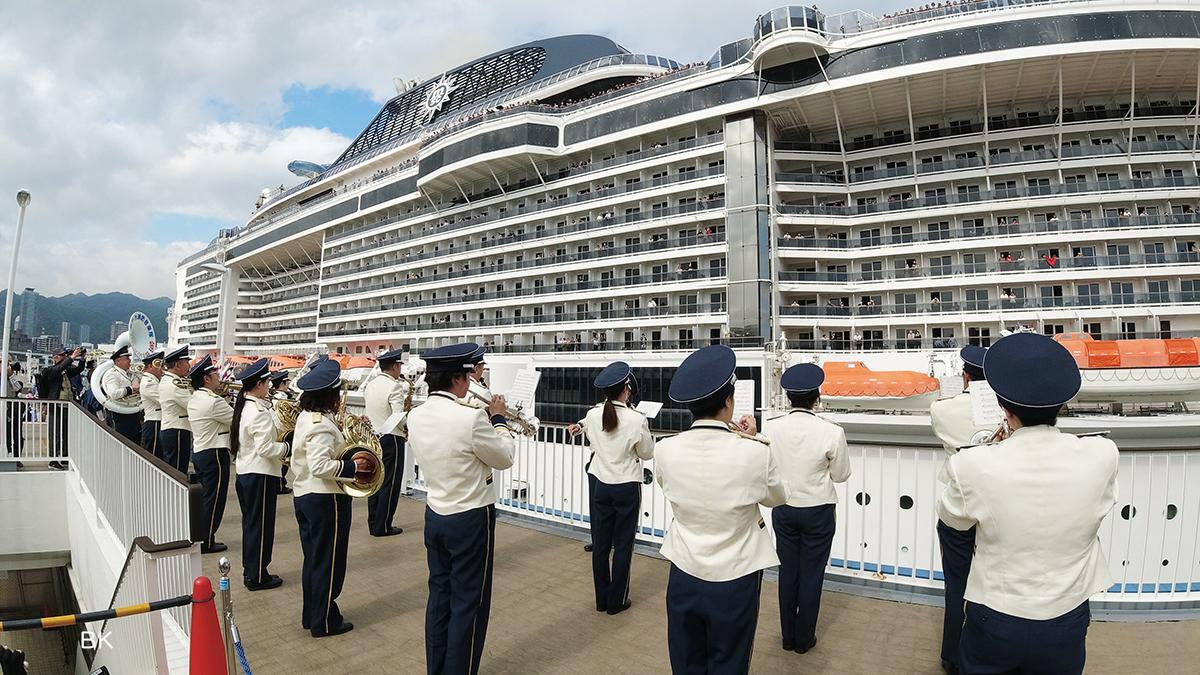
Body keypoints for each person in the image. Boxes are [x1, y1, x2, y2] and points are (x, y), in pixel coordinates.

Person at [938, 334, 1118, 673]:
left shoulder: (971, 464)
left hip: (996, 616)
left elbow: (952, 522)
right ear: (1061, 404)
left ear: (1003, 407)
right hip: (1067, 615)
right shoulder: (1102, 454)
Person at [654, 345, 789, 674]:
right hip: (736, 577)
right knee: (729, 662)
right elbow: (777, 497)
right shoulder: (755, 452)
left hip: (683, 571)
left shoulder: (665, 449)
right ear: (729, 401)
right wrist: (753, 440)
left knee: (686, 661)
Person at [407, 342, 515, 675]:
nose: (470, 383)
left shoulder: (416, 414)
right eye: (468, 376)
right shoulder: (469, 419)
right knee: (469, 603)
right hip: (470, 518)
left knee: (440, 598)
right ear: (458, 379)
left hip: (435, 512)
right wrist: (498, 420)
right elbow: (505, 457)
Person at [763, 363, 850, 654]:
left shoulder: (772, 427)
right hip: (818, 509)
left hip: (784, 507)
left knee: (788, 571)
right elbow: (840, 475)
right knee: (812, 573)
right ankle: (804, 639)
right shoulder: (831, 431)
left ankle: (787, 637)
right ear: (817, 396)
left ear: (788, 397)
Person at [291, 358, 374, 638]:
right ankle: (325, 620)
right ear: (329, 395)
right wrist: (354, 468)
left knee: (314, 560)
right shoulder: (321, 425)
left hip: (306, 495)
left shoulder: (308, 417)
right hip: (326, 499)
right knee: (329, 561)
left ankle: (311, 614)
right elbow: (320, 465)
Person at [568, 362, 655, 614]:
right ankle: (617, 601)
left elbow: (588, 428)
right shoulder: (636, 419)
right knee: (623, 546)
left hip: (601, 485)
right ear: (626, 389)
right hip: (626, 485)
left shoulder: (594, 414)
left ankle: (601, 599)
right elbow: (646, 454)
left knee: (601, 545)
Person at [928, 346, 994, 672]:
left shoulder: (943, 410)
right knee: (993, 585)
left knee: (957, 586)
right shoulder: (1007, 411)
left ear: (965, 375)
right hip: (998, 508)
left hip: (958, 508)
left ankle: (952, 656)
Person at [231, 358, 289, 591]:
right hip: (260, 475)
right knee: (262, 527)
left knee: (252, 525)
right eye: (266, 382)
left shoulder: (246, 406)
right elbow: (266, 449)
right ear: (258, 385)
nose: (269, 387)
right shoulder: (258, 412)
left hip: (247, 472)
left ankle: (253, 570)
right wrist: (287, 448)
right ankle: (257, 575)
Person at [188, 354, 234, 554]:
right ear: (206, 379)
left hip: (202, 451)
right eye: (214, 373)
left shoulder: (196, 397)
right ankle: (207, 540)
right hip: (214, 452)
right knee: (214, 499)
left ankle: (205, 537)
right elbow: (236, 419)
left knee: (208, 497)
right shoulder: (213, 402)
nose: (218, 376)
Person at [363, 348, 410, 537]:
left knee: (375, 481)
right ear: (395, 366)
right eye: (399, 365)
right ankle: (383, 525)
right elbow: (398, 416)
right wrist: (409, 424)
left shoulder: (371, 384)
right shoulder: (395, 386)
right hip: (392, 437)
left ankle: (373, 522)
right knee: (390, 483)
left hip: (374, 437)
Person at [37, 347, 85, 469]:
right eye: (61, 355)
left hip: (66, 405)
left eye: (65, 355)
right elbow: (58, 369)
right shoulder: (50, 370)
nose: (64, 357)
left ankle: (64, 456)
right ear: (55, 358)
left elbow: (79, 369)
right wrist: (72, 357)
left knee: (65, 432)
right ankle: (53, 459)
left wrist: (82, 358)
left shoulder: (66, 371)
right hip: (56, 405)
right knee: (55, 433)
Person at [158, 346, 193, 474]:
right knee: (177, 472)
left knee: (176, 469)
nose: (189, 366)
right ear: (178, 365)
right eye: (187, 362)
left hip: (175, 429)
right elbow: (192, 405)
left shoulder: (172, 380)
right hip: (176, 430)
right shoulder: (174, 384)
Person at [100, 345, 143, 443]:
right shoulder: (112, 374)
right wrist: (132, 389)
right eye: (127, 358)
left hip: (133, 411)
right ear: (118, 361)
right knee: (121, 441)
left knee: (135, 440)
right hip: (119, 413)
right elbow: (113, 393)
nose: (130, 361)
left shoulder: (131, 373)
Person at [269, 370, 294, 494]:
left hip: (279, 431)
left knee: (281, 462)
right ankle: (279, 484)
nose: (288, 386)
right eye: (287, 383)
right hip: (282, 432)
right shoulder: (281, 399)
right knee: (282, 463)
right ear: (283, 383)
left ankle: (279, 483)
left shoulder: (277, 397)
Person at [139, 351, 165, 459]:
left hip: (158, 422)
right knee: (154, 458)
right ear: (150, 366)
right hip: (154, 422)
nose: (161, 368)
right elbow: (163, 400)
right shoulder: (149, 382)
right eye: (158, 365)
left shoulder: (154, 380)